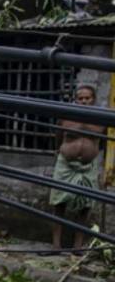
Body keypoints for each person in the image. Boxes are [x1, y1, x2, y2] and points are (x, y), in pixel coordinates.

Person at [49, 85, 106, 252]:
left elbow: (101, 142)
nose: (83, 101)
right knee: (59, 203)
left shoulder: (101, 118)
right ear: (76, 100)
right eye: (80, 98)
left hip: (88, 166)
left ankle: (77, 246)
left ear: (93, 99)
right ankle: (56, 245)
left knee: (85, 205)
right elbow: (58, 137)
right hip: (66, 165)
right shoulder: (66, 116)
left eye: (87, 98)